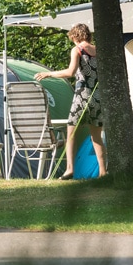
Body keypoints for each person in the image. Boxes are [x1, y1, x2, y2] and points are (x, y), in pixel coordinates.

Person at [35, 23, 107, 179]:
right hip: (97, 98)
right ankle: (103, 172)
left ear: (76, 36)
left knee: (71, 134)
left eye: (72, 38)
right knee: (96, 137)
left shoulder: (77, 50)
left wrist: (49, 74)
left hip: (82, 96)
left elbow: (70, 72)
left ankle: (70, 169)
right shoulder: (99, 51)